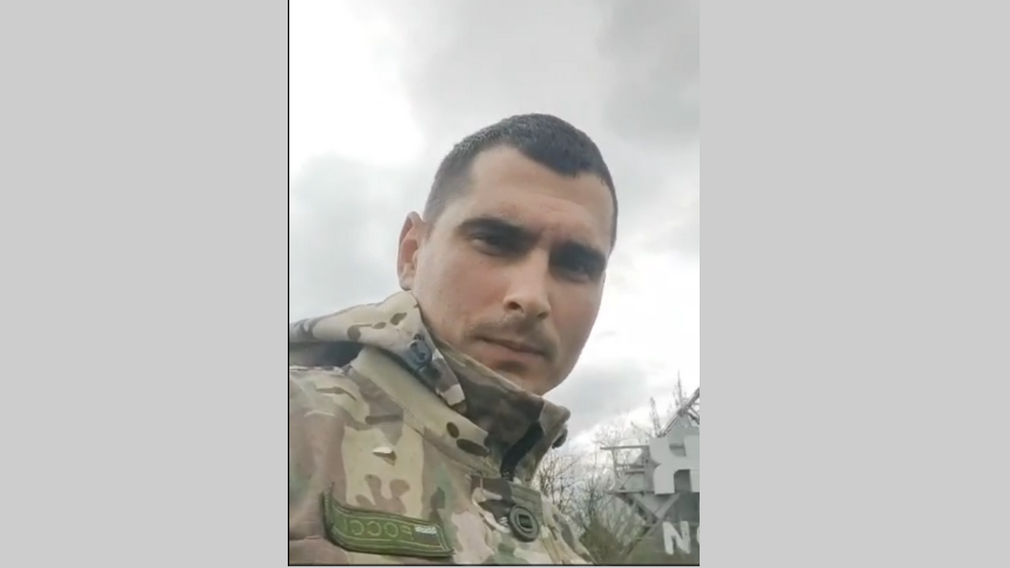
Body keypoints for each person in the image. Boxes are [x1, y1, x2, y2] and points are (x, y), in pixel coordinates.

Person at [289, 113, 618, 564]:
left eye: (576, 265)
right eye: (494, 241)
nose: (531, 297)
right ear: (412, 254)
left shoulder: (565, 544)